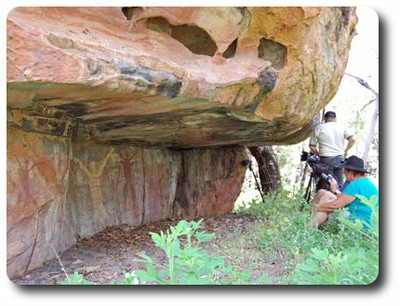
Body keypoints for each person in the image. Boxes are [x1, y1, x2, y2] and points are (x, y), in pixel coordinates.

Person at [310, 155, 379, 229]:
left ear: (351, 172)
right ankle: (307, 218)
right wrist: (335, 190)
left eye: (345, 171)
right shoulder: (365, 182)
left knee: (325, 208)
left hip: (358, 223)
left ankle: (307, 228)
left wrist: (314, 208)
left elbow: (335, 205)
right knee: (322, 192)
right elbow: (346, 199)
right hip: (369, 224)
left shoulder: (355, 185)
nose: (344, 174)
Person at [309, 111, 356, 186]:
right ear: (335, 119)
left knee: (325, 183)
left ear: (325, 118)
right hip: (339, 158)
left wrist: (318, 154)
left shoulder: (319, 128)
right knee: (339, 183)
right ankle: (339, 195)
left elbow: (312, 146)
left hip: (325, 159)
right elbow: (353, 139)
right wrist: (346, 151)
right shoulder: (342, 127)